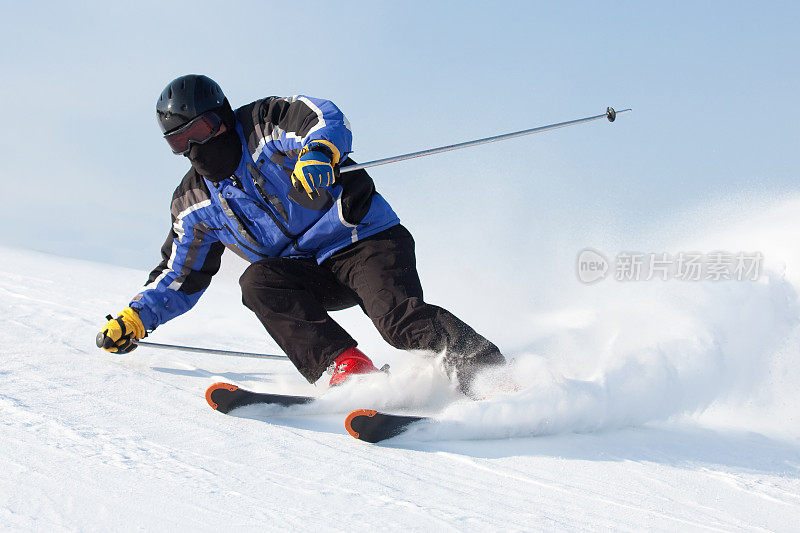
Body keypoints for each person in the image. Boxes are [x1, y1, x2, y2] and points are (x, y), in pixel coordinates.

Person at [96, 74, 505, 395]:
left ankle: (488, 373)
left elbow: (320, 116)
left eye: (201, 129)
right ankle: (347, 370)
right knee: (257, 282)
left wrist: (318, 151)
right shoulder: (194, 201)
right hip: (308, 275)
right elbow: (179, 274)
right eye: (180, 140)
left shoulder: (263, 125)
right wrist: (137, 317)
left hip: (362, 240)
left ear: (221, 116)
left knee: (397, 323)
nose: (195, 145)